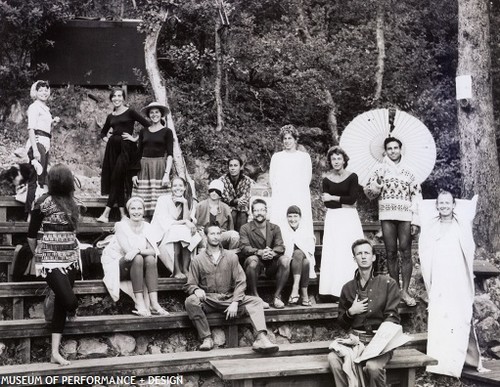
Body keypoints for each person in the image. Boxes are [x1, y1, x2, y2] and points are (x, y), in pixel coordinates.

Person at [418, 191, 487, 377]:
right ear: (437, 206)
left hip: (457, 280)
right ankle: (440, 363)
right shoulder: (432, 228)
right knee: (440, 318)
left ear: (454, 205)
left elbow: (467, 244)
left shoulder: (461, 226)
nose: (444, 206)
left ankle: (462, 361)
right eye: (441, 203)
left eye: (448, 203)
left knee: (459, 316)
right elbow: (425, 251)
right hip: (440, 280)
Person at [184, 223, 279, 353]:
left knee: (256, 302)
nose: (216, 237)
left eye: (218, 234)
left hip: (229, 299)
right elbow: (190, 284)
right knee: (190, 301)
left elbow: (241, 281)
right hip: (209, 300)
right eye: (212, 234)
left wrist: (235, 302)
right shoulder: (197, 260)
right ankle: (206, 338)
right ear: (206, 236)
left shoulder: (231, 256)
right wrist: (196, 290)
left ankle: (261, 338)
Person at [328, 239, 401, 387]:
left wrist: (381, 337)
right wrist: (351, 312)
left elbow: (393, 317)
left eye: (367, 253)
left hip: (380, 342)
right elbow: (341, 323)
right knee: (333, 359)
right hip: (355, 341)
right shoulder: (347, 288)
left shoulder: (388, 283)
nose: (363, 256)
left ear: (373, 257)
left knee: (373, 367)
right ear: (354, 258)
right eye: (359, 253)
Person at [27, 164, 80, 365]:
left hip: (70, 258)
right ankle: (52, 293)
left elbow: (73, 231)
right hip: (50, 260)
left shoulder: (72, 202)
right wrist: (39, 256)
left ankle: (54, 353)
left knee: (62, 305)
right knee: (70, 302)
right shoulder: (42, 202)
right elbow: (31, 235)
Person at [364, 137, 422, 306]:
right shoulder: (379, 169)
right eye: (389, 148)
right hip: (387, 214)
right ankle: (394, 290)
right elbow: (369, 193)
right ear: (385, 151)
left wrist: (416, 221)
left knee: (405, 251)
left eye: (396, 148)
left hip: (405, 215)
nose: (393, 151)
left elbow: (417, 195)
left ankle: (405, 291)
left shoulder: (409, 171)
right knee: (390, 252)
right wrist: (377, 184)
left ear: (400, 149)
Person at [101, 196, 168, 317]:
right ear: (128, 210)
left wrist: (138, 250)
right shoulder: (121, 226)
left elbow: (153, 251)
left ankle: (154, 303)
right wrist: (140, 251)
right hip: (118, 263)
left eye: (139, 209)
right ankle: (139, 302)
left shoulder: (147, 227)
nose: (136, 212)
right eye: (133, 209)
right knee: (137, 258)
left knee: (150, 259)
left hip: (138, 262)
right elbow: (128, 254)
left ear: (143, 210)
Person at [97, 88, 150, 222]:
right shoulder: (111, 116)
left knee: (116, 177)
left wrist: (135, 138)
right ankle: (122, 215)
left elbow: (147, 125)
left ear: (123, 98)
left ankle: (106, 213)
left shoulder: (130, 112)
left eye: (119, 96)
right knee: (118, 179)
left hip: (126, 148)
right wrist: (107, 139)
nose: (116, 98)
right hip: (112, 149)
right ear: (111, 98)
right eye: (114, 96)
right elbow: (102, 133)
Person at [319, 146, 364, 297]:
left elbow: (353, 199)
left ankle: (352, 290)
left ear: (344, 160)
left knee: (348, 251)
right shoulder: (326, 179)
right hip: (333, 218)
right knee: (334, 251)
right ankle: (332, 290)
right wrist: (342, 202)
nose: (336, 162)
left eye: (339, 158)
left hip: (349, 219)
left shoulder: (353, 177)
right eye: (333, 159)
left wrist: (333, 197)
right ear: (330, 161)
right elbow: (327, 204)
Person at [239, 199, 291, 309]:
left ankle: (277, 296)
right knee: (252, 260)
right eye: (256, 210)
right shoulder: (245, 228)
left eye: (262, 210)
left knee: (285, 260)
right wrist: (259, 252)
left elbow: (280, 246)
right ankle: (255, 296)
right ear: (252, 212)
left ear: (266, 211)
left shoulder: (274, 227)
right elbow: (244, 247)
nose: (259, 213)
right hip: (254, 265)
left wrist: (272, 252)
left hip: (271, 264)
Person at [269, 125, 314, 239]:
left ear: (295, 139)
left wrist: (297, 191)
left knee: (299, 220)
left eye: (290, 138)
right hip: (281, 196)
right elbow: (272, 179)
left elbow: (307, 179)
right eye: (285, 138)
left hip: (298, 195)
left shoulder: (304, 157)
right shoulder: (277, 157)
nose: (287, 141)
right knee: (281, 221)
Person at [152, 176, 200, 279]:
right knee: (177, 231)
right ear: (171, 187)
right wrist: (185, 221)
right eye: (175, 186)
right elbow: (164, 221)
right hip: (163, 232)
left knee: (187, 232)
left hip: (179, 231)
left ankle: (185, 269)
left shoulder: (188, 201)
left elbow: (188, 221)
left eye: (180, 185)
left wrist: (185, 203)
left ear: (185, 187)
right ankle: (176, 270)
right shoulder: (163, 200)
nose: (177, 188)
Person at [131, 102, 174, 218]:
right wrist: (134, 173)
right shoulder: (143, 131)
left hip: (159, 167)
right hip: (144, 168)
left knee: (160, 202)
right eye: (151, 112)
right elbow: (138, 153)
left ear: (161, 114)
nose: (154, 115)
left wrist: (166, 174)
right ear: (149, 115)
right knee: (142, 201)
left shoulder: (167, 132)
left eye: (156, 112)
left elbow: (170, 154)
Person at [25, 80, 60, 216]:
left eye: (46, 90)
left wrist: (52, 123)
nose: (44, 92)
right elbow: (32, 129)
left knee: (43, 178)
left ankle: (40, 212)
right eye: (41, 90)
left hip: (45, 143)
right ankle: (30, 213)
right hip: (37, 143)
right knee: (35, 179)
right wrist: (34, 149)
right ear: (36, 92)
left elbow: (44, 127)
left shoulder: (45, 108)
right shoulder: (34, 107)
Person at [281, 205, 315, 306]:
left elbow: (310, 250)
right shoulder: (283, 231)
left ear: (300, 217)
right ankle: (304, 295)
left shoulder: (306, 231)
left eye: (295, 216)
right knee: (302, 260)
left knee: (302, 258)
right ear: (286, 218)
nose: (292, 219)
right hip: (290, 264)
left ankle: (295, 289)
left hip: (304, 260)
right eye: (290, 216)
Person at [195, 179, 239, 250]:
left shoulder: (225, 207)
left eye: (217, 191)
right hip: (204, 235)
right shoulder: (200, 206)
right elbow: (194, 224)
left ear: (221, 193)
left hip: (219, 235)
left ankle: (229, 256)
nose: (214, 193)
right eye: (212, 190)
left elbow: (231, 227)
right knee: (203, 242)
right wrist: (199, 229)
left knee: (235, 235)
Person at [219, 157, 255, 232]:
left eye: (235, 165)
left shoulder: (247, 180)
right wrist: (236, 201)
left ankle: (242, 236)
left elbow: (250, 193)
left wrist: (242, 201)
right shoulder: (222, 180)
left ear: (241, 167)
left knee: (243, 211)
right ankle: (230, 235)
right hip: (226, 208)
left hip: (242, 208)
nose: (233, 168)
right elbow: (224, 197)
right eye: (230, 166)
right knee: (233, 212)